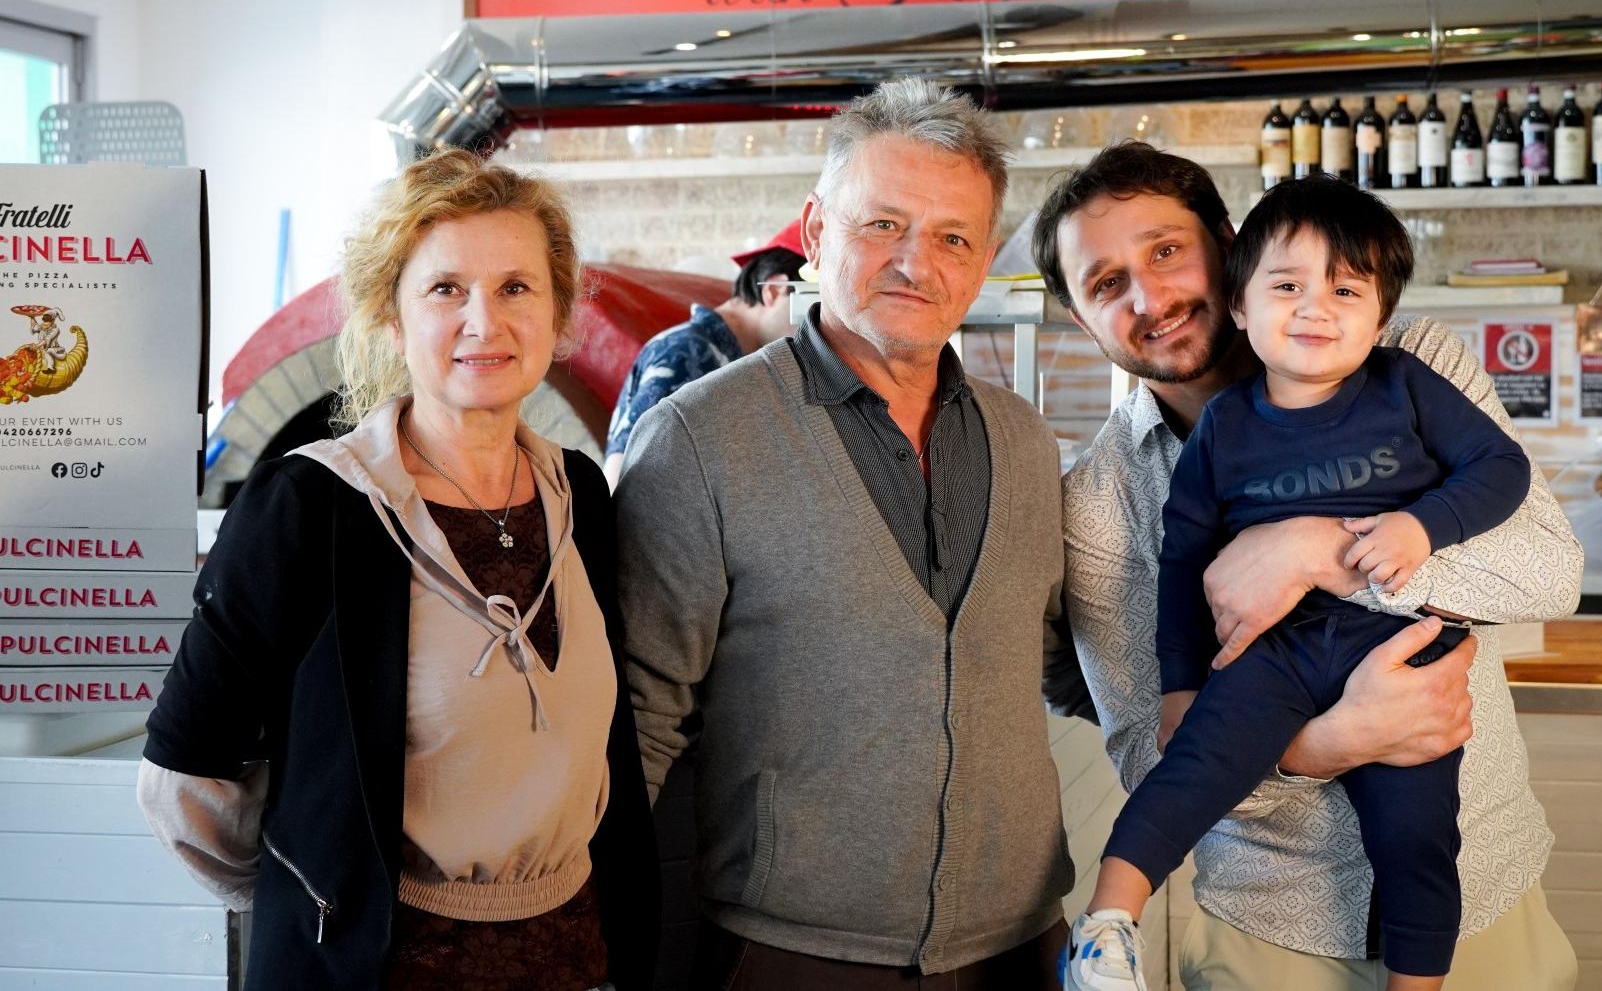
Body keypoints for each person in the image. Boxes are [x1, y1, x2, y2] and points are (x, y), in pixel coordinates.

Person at [1034, 143, 1581, 991]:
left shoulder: (1414, 364)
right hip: (1270, 932)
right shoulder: (1098, 502)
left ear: (1226, 243)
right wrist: (1317, 746)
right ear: (1079, 317)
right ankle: (1106, 929)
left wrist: (1318, 551)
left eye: (1166, 251)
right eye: (1106, 283)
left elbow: (1549, 570)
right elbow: (1154, 751)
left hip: (1482, 898)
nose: (1150, 297)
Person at [137, 148, 658, 990]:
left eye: (516, 287)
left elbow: (609, 753)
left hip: (571, 961)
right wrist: (317, 892)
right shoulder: (311, 504)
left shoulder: (581, 495)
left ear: (559, 312)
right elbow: (183, 776)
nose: (484, 322)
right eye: (445, 289)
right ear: (390, 317)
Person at [616, 78, 1073, 990]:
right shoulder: (703, 438)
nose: (917, 262)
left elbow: (1062, 661)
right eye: (882, 225)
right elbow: (637, 725)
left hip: (1020, 945)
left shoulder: (1023, 440)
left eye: (952, 238)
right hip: (789, 954)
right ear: (816, 231)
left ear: (983, 262)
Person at [602, 224, 806, 487]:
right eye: (814, 305)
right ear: (775, 290)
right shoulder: (687, 354)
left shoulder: (732, 362)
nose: (821, 326)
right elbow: (627, 483)